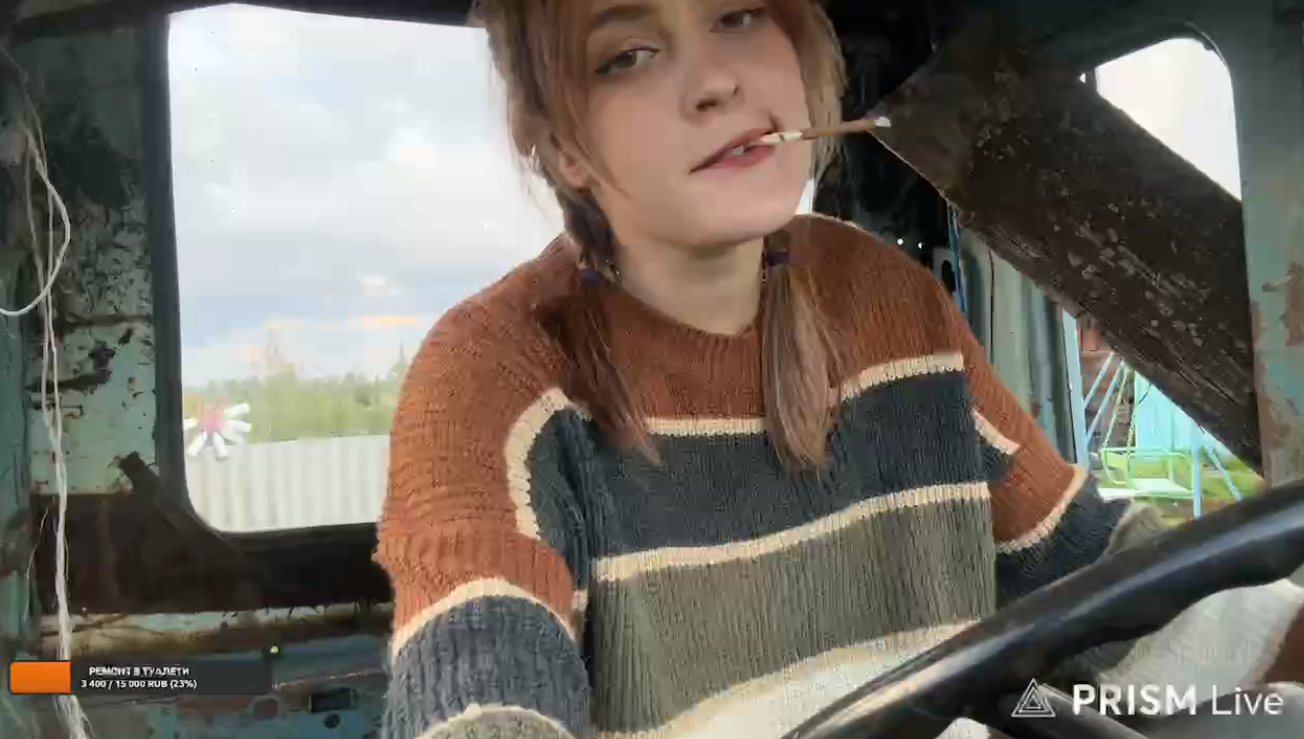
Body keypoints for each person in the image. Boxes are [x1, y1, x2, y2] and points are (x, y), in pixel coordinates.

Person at [374, 1, 1304, 737]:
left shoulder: (890, 304)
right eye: (629, 54)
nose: (716, 81)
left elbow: (1092, 573)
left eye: (739, 15)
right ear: (565, 147)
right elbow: (482, 687)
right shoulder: (493, 373)